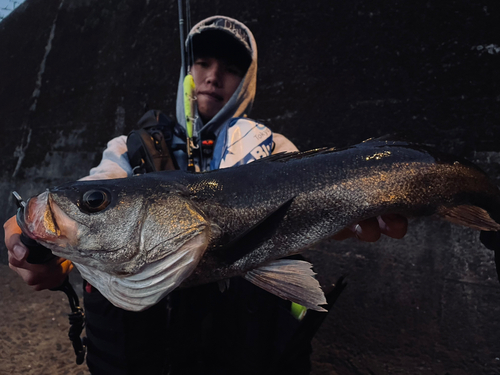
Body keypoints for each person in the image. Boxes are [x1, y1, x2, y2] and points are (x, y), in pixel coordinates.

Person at [4, 16, 408, 374]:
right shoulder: (131, 148)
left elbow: (318, 203)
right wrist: (26, 241)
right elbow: (93, 189)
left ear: (246, 82)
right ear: (187, 70)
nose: (213, 77)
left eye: (231, 69)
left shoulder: (277, 149)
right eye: (202, 63)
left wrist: (344, 219)